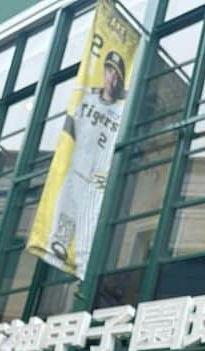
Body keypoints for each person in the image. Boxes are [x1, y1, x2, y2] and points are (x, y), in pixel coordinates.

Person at [47, 51, 127, 276]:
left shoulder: (121, 108)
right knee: (60, 229)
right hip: (76, 169)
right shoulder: (88, 100)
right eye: (109, 71)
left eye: (116, 74)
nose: (111, 77)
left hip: (96, 177)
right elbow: (70, 129)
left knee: (85, 232)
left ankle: (81, 270)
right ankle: (60, 247)